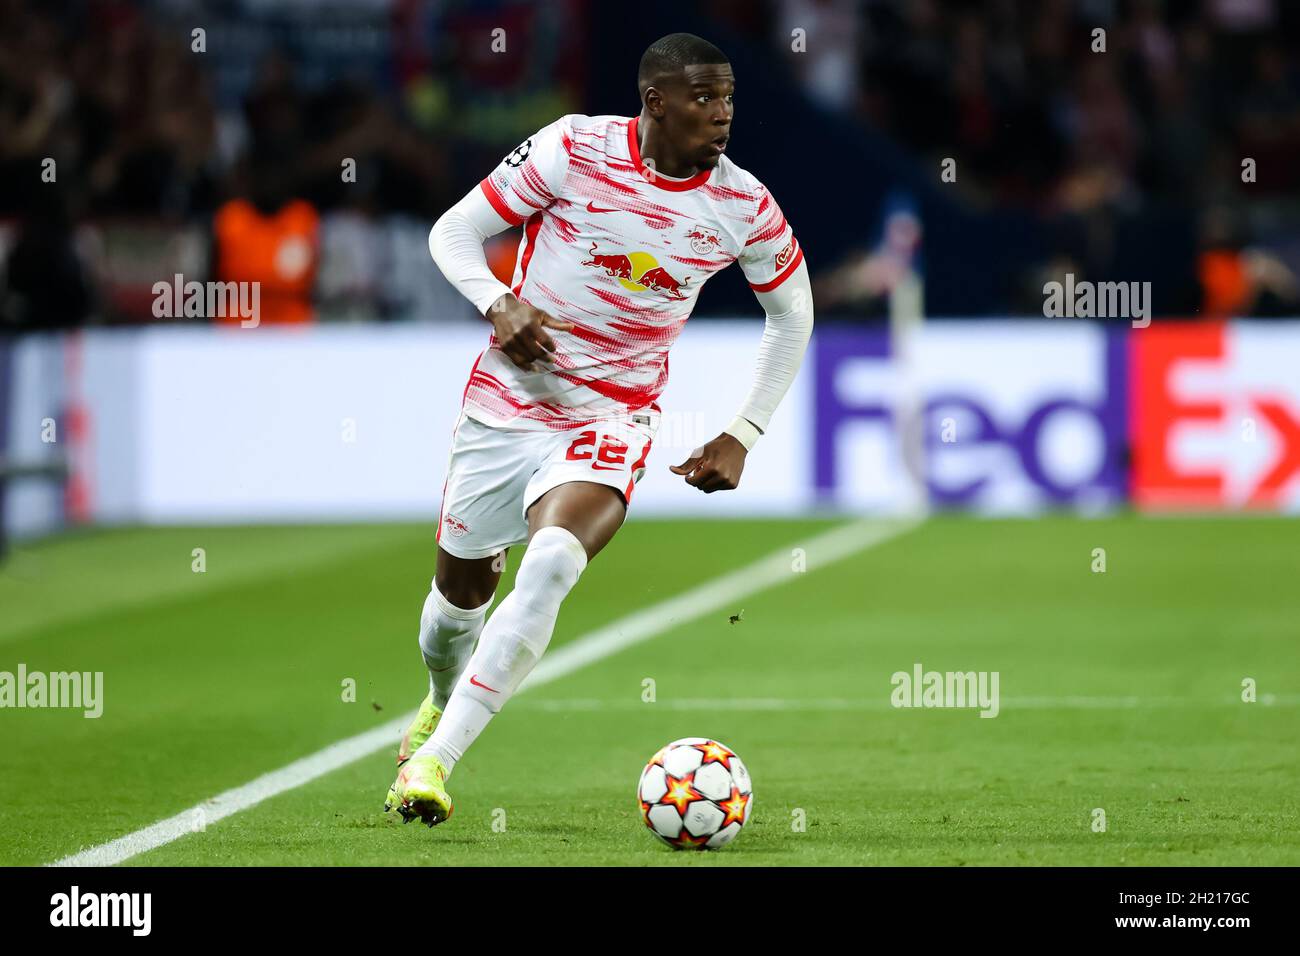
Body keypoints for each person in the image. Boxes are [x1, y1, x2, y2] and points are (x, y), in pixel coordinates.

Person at [385, 33, 814, 826]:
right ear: (654, 101)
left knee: (550, 563)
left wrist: (744, 430)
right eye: (703, 99)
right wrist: (498, 301)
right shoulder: (572, 148)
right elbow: (452, 233)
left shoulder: (742, 205)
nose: (722, 116)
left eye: (728, 100)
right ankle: (439, 703)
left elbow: (792, 314)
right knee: (457, 601)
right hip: (505, 407)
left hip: (612, 420)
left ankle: (435, 765)